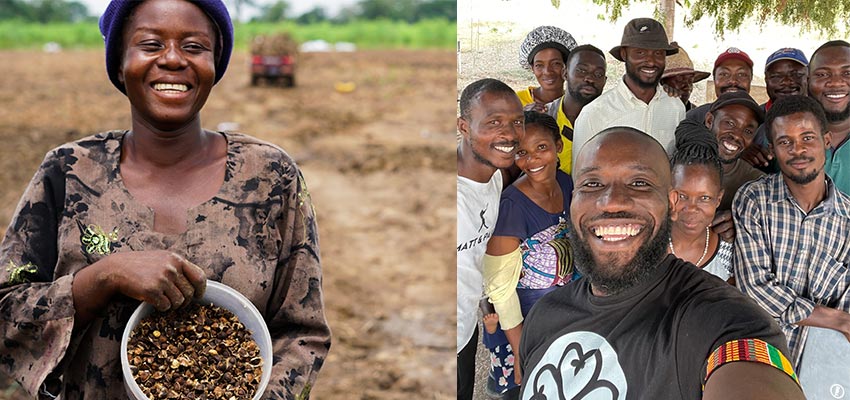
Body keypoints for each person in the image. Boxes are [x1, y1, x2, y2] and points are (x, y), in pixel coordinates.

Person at [0, 1, 330, 398]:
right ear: (120, 63)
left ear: (215, 64)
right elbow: (6, 318)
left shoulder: (270, 177)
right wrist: (103, 277)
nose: (173, 60)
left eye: (194, 47)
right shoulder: (68, 171)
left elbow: (302, 334)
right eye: (151, 44)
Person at [519, 126, 803, 400]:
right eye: (592, 184)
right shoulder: (544, 316)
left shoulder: (723, 319)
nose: (612, 202)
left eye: (639, 183)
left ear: (670, 203)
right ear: (573, 201)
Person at [734, 95, 850, 367]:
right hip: (759, 357)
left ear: (827, 141)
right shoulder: (754, 200)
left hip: (823, 365)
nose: (798, 150)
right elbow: (755, 288)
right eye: (785, 141)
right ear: (772, 149)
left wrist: (838, 319)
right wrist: (837, 319)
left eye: (808, 138)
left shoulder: (847, 219)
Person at [482, 111, 576, 392]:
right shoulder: (513, 207)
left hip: (560, 311)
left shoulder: (566, 183)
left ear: (558, 146)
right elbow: (501, 289)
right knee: (524, 386)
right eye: (522, 152)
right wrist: (520, 349)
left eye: (542, 148)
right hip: (522, 323)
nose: (532, 159)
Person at [457, 78, 522, 400]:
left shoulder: (494, 177)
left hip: (465, 330)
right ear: (464, 126)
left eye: (516, 122)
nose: (509, 134)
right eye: (494, 122)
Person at [572, 18, 685, 168]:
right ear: (624, 54)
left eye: (658, 53)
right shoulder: (594, 114)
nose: (651, 62)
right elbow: (581, 175)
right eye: (640, 52)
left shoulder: (675, 107)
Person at [669, 127, 733, 283]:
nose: (691, 208)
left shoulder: (728, 253)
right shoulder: (647, 243)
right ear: (668, 193)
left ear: (718, 199)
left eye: (704, 198)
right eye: (682, 196)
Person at [544, 44, 607, 174]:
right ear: (565, 73)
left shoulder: (611, 121)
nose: (589, 78)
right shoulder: (545, 118)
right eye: (582, 70)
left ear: (605, 81)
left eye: (598, 74)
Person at [747, 47, 809, 172]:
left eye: (796, 74)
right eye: (776, 76)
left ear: (808, 77)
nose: (786, 82)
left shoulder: (823, 117)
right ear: (766, 81)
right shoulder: (754, 117)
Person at [809, 40, 850, 194]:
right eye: (822, 74)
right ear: (807, 81)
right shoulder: (778, 135)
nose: (835, 83)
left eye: (847, 73)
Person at [685, 47, 755, 126]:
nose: (733, 81)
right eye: (724, 74)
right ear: (714, 79)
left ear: (750, 79)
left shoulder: (763, 120)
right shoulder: (694, 118)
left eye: (741, 74)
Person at [516, 26, 577, 112]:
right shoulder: (515, 101)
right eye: (539, 65)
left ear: (567, 66)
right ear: (532, 68)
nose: (547, 72)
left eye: (556, 64)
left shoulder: (575, 104)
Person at [661, 43, 711, 111]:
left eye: (690, 80)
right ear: (662, 82)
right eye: (679, 79)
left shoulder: (698, 117)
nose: (687, 86)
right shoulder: (650, 111)